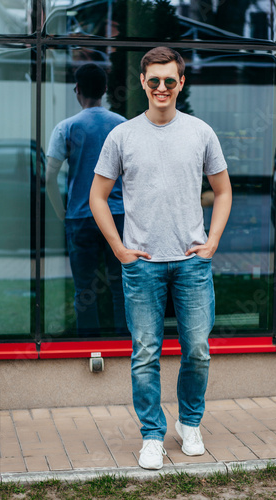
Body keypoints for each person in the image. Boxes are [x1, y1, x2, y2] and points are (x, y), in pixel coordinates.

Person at [89, 47, 232, 469]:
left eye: (170, 80)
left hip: (191, 261)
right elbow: (97, 197)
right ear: (142, 82)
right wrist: (119, 248)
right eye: (154, 81)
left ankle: (189, 423)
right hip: (142, 264)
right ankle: (152, 435)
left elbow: (222, 191)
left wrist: (213, 242)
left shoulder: (201, 132)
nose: (162, 88)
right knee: (146, 352)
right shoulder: (123, 136)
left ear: (181, 83)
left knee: (198, 349)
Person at [46, 63, 127, 337]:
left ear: (77, 90)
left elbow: (48, 177)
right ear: (104, 89)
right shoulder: (122, 126)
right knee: (121, 286)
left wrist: (62, 212)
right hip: (117, 216)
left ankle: (87, 346)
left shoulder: (65, 128)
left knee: (84, 290)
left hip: (80, 216)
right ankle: (124, 345)